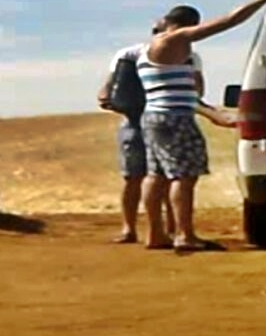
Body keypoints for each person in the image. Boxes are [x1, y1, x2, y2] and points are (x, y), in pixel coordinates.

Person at [138, 0, 266, 252]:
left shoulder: (145, 50)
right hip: (175, 118)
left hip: (154, 116)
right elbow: (229, 20)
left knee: (156, 175)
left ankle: (156, 234)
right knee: (183, 176)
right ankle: (184, 234)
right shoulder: (176, 38)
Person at [97, 20, 230, 245]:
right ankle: (181, 233)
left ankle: (148, 231)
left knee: (147, 176)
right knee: (179, 176)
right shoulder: (185, 54)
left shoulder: (130, 53)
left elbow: (106, 91)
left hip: (141, 119)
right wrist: (212, 114)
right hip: (169, 118)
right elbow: (192, 93)